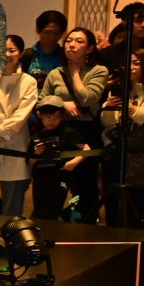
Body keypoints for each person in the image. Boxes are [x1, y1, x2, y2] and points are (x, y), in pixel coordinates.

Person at [38, 27, 107, 222]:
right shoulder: (55, 73)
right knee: (55, 184)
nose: (72, 45)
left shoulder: (99, 71)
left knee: (86, 185)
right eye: (69, 41)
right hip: (59, 130)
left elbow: (87, 99)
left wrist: (75, 73)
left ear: (90, 48)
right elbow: (42, 102)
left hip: (86, 131)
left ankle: (87, 226)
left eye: (79, 41)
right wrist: (63, 104)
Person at [102, 45, 144, 225]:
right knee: (117, 209)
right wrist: (108, 108)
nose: (131, 67)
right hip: (119, 157)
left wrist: (135, 111)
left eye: (137, 63)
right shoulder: (120, 89)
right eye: (128, 63)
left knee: (142, 209)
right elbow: (108, 123)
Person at [0, 33, 38, 217]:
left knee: (12, 207)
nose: (6, 54)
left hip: (16, 145)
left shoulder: (28, 82)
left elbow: (22, 114)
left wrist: (2, 132)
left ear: (20, 53)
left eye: (12, 50)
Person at [29, 100, 94, 222]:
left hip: (60, 177)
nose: (52, 121)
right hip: (40, 178)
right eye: (48, 117)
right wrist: (36, 154)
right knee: (40, 210)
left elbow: (87, 149)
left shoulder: (66, 132)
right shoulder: (35, 134)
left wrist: (74, 162)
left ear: (62, 117)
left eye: (57, 117)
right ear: (40, 115)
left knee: (52, 210)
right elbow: (30, 162)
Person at [23, 9, 67, 81]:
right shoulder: (26, 56)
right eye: (47, 32)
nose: (52, 37)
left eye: (56, 33)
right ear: (38, 31)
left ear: (62, 34)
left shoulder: (66, 57)